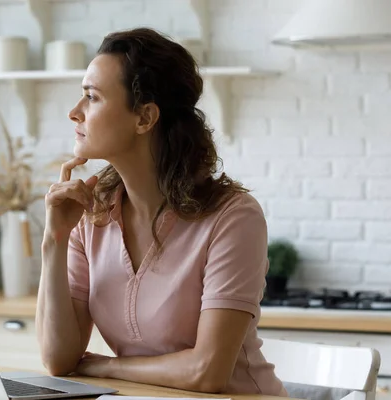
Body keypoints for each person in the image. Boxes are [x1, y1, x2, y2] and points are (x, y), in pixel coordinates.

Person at [35, 27, 287, 396]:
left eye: (92, 97)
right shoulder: (90, 216)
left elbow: (207, 372)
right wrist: (54, 240)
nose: (75, 113)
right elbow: (59, 359)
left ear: (144, 118)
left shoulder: (233, 218)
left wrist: (105, 365)